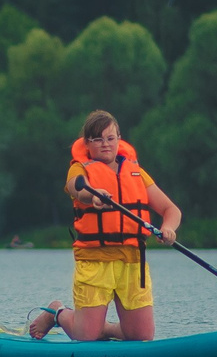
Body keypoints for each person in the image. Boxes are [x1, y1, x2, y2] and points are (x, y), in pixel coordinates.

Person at [30, 109, 183, 343]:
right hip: (95, 260)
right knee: (85, 336)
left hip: (133, 262)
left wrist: (169, 229)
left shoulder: (136, 173)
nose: (105, 144)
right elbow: (76, 189)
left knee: (141, 336)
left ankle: (106, 329)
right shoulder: (79, 169)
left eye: (110, 138)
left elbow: (171, 210)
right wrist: (92, 196)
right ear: (87, 143)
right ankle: (57, 312)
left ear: (119, 139)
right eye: (97, 139)